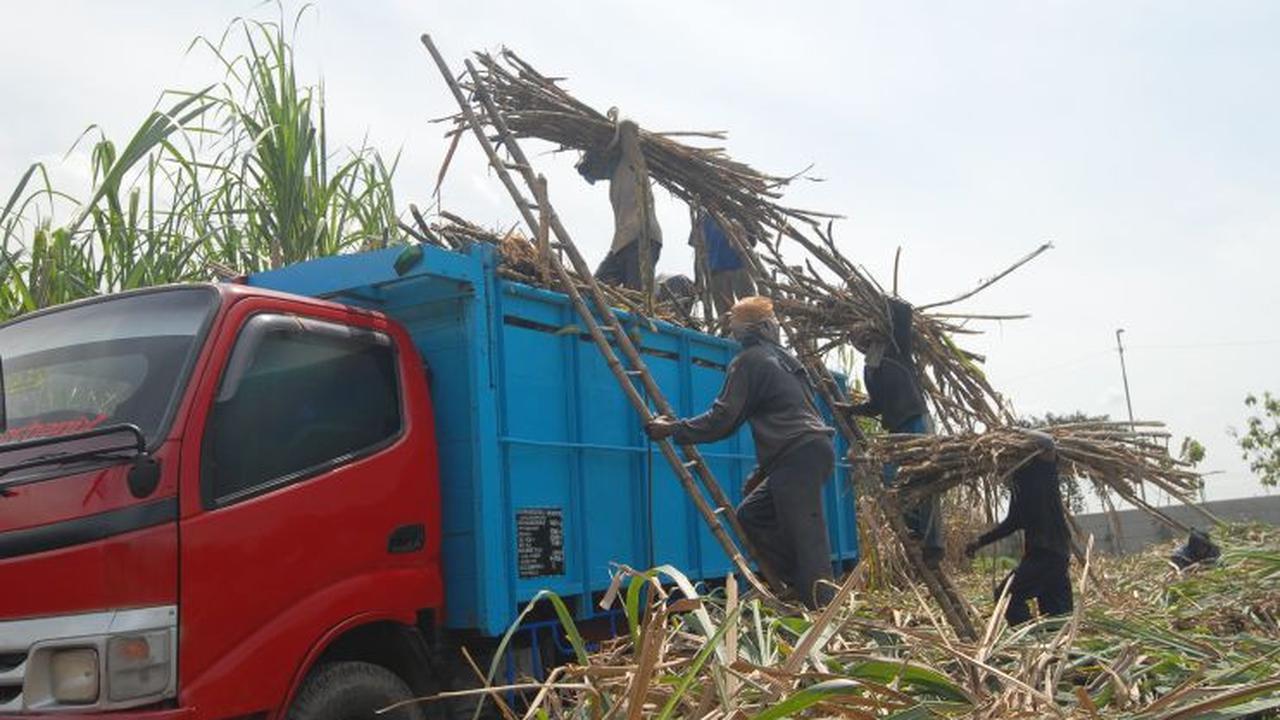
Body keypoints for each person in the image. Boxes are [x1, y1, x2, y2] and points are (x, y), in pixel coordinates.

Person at [645, 296, 836, 609]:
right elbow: (791, 410)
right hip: (805, 451)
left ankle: (824, 610)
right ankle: (800, 582)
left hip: (797, 452)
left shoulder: (750, 361)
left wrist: (673, 429)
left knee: (806, 534)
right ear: (766, 329)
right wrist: (765, 470)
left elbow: (722, 419)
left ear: (749, 332)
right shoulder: (787, 361)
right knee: (752, 513)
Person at [846, 297, 944, 566]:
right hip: (895, 428)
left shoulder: (897, 348)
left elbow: (903, 311)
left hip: (916, 421)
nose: (861, 340)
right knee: (893, 479)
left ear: (875, 330)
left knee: (925, 478)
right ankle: (913, 530)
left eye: (864, 334)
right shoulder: (870, 368)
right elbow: (876, 405)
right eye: (856, 339)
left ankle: (933, 544)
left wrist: (880, 301)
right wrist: (850, 410)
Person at [965, 430, 1074, 626]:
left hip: (1047, 553)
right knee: (1056, 614)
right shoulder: (1018, 485)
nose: (998, 473)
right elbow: (1012, 523)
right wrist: (980, 542)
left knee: (1006, 594)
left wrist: (1012, 434)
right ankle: (1053, 650)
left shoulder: (1041, 472)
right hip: (1049, 553)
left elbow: (1047, 443)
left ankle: (1030, 639)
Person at [576, 118, 662, 292]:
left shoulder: (631, 164)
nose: (597, 176)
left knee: (637, 292)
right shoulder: (615, 180)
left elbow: (629, 126)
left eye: (594, 171)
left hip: (642, 236)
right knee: (597, 285)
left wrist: (616, 134)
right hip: (622, 242)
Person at [689, 209, 756, 321]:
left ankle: (753, 335)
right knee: (725, 316)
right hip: (716, 272)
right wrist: (698, 280)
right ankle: (728, 336)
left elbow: (752, 240)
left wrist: (740, 233)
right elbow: (698, 251)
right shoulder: (702, 217)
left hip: (739, 267)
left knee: (749, 312)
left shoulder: (735, 209)